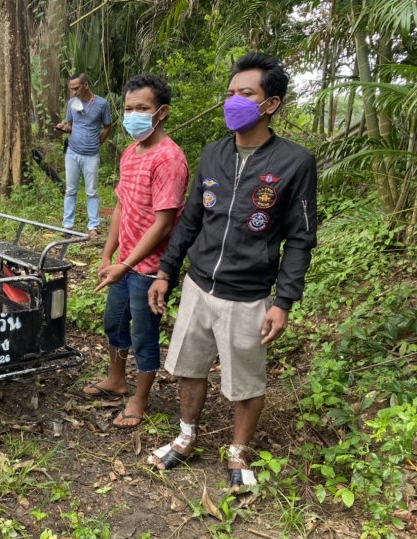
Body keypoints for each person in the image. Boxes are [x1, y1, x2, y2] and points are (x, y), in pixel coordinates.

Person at [146, 53, 317, 488]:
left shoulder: (294, 162)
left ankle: (238, 452)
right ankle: (186, 437)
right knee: (189, 366)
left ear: (270, 104)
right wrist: (167, 272)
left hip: (249, 293)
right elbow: (190, 222)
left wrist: (284, 302)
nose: (232, 102)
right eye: (230, 93)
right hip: (199, 284)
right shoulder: (214, 154)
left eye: (246, 94)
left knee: (245, 381)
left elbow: (299, 238)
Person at [85, 74, 188, 428]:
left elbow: (163, 223)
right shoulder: (130, 153)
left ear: (161, 113)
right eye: (128, 109)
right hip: (124, 264)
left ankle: (140, 398)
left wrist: (126, 263)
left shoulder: (169, 159)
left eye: (141, 108)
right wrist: (107, 255)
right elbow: (123, 207)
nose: (133, 116)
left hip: (149, 269)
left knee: (144, 332)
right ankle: (116, 379)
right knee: (114, 321)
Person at [55, 73, 112, 237]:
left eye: (76, 88)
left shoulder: (101, 104)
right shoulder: (72, 103)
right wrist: (62, 127)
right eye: (71, 89)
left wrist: (98, 142)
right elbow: (70, 126)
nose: (73, 92)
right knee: (70, 190)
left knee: (91, 191)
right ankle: (67, 225)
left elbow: (108, 127)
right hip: (72, 152)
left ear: (86, 85)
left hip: (91, 154)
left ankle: (93, 226)